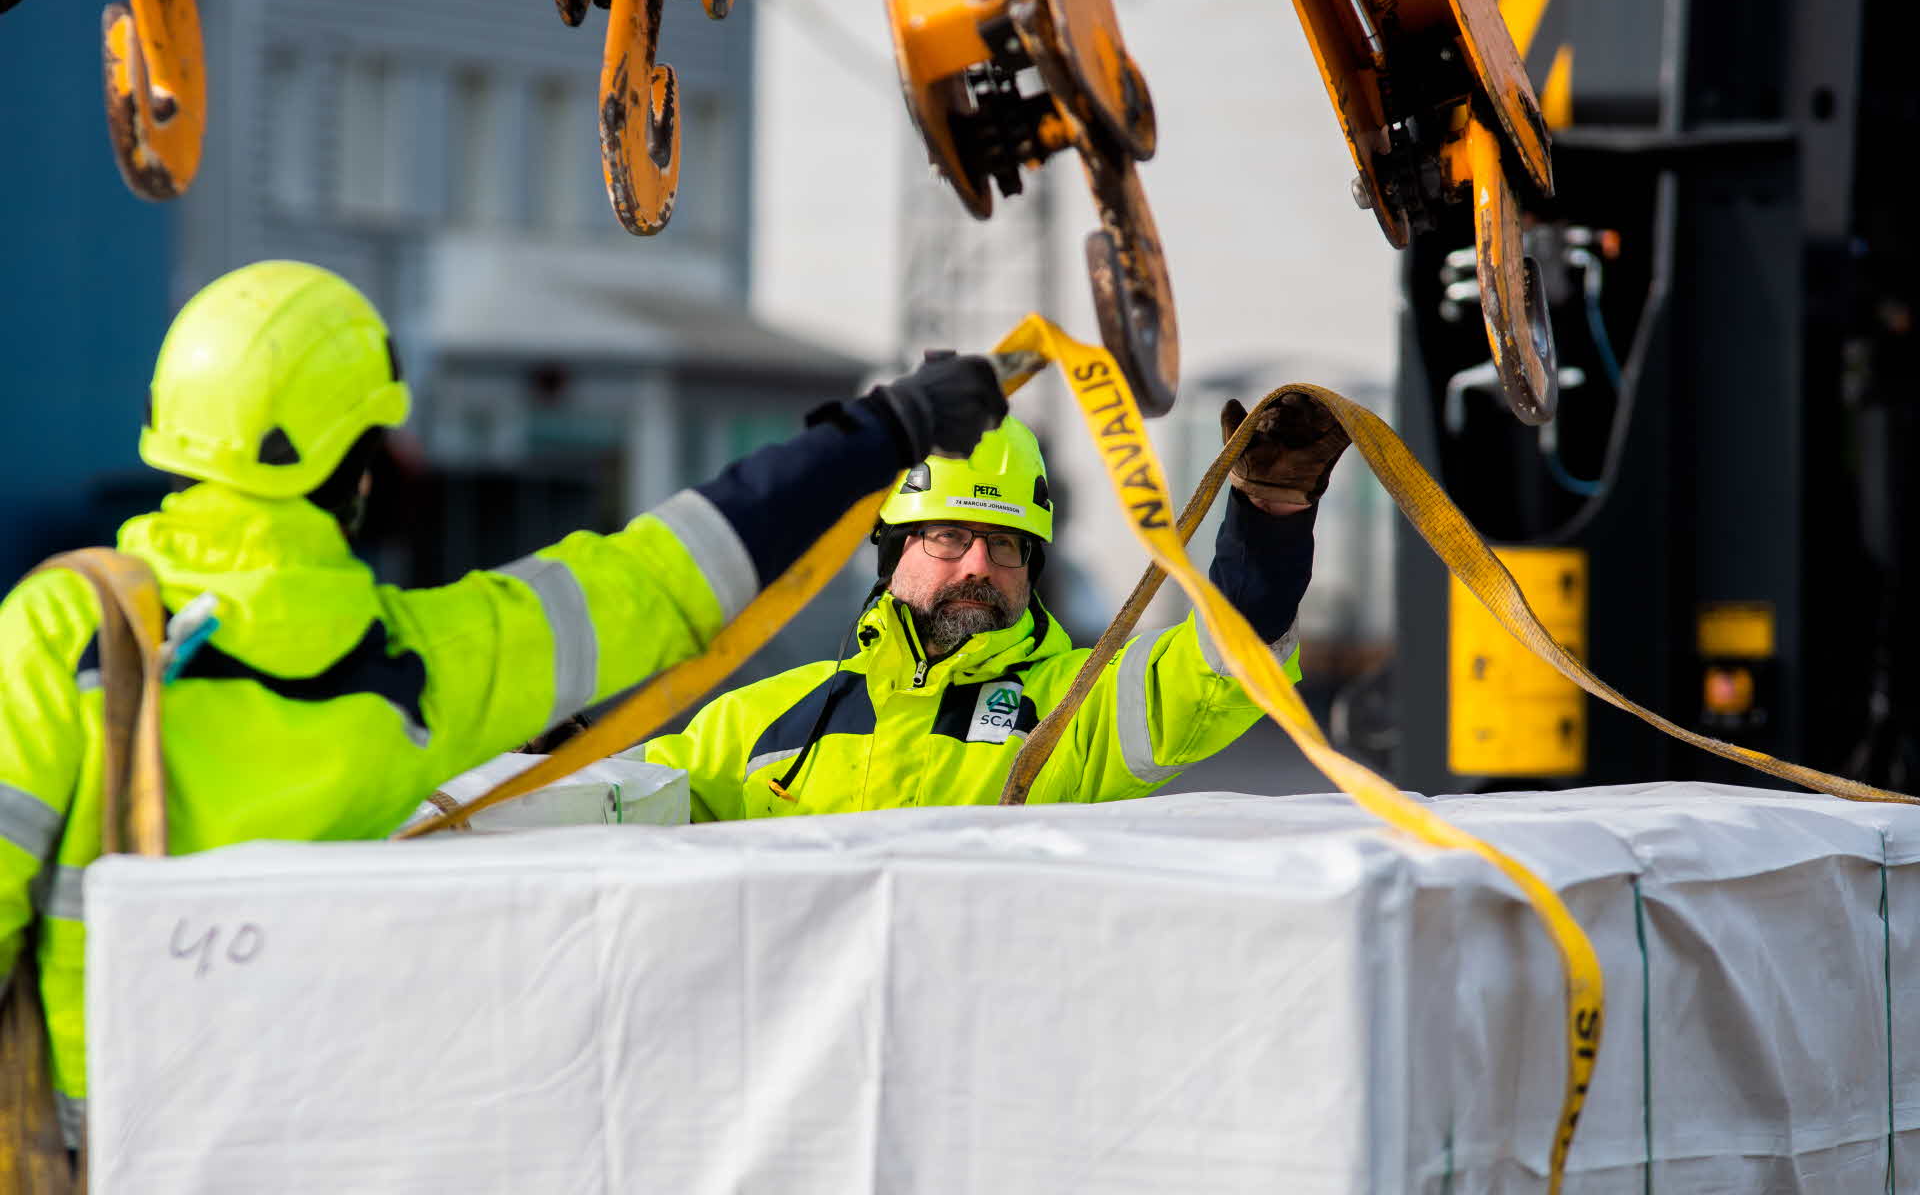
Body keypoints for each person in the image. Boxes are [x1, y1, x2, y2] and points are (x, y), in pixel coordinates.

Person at [0, 259, 1008, 1147]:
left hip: (101, 1146)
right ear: (350, 463)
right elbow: (668, 574)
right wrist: (887, 429)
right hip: (307, 1145)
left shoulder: (65, 627)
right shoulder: (423, 668)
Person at [633, 393, 1351, 819]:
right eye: (949, 536)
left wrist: (1270, 512)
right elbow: (624, 811)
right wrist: (557, 765)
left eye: (1006, 545)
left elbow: (1222, 663)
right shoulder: (751, 725)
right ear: (892, 551)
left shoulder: (1076, 709)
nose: (979, 564)